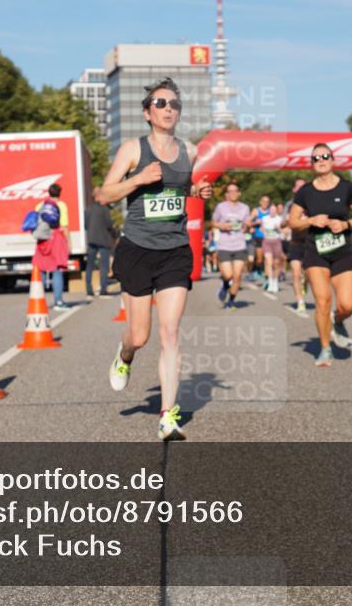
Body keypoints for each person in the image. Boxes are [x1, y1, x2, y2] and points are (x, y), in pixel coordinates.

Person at [98, 77, 212, 441]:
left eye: (174, 104)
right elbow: (104, 194)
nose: (168, 109)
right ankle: (125, 354)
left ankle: (168, 416)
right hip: (137, 250)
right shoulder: (133, 149)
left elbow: (181, 186)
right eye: (160, 104)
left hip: (175, 251)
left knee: (170, 332)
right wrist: (137, 179)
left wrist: (197, 189)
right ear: (147, 113)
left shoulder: (190, 151)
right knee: (140, 335)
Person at [287, 144, 352, 366]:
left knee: (347, 305)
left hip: (343, 252)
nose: (321, 160)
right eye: (316, 158)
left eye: (325, 156)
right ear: (311, 164)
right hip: (316, 252)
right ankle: (325, 348)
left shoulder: (346, 188)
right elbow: (292, 221)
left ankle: (338, 320)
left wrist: (345, 223)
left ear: (332, 159)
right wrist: (311, 220)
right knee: (323, 301)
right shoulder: (305, 192)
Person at [211, 182, 252, 309]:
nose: (233, 193)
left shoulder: (245, 208)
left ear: (239, 193)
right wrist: (222, 226)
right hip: (224, 245)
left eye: (235, 191)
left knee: (237, 276)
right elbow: (213, 222)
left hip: (239, 245)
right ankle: (224, 286)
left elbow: (247, 223)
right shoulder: (221, 207)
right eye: (230, 191)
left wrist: (248, 224)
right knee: (228, 275)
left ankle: (231, 301)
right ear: (227, 194)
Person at [34, 183, 71, 310]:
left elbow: (36, 223)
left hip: (42, 239)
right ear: (60, 193)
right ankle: (58, 302)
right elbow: (64, 226)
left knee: (41, 270)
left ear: (49, 192)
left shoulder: (40, 205)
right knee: (57, 269)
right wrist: (68, 243)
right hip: (56, 238)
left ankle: (38, 301)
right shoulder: (61, 205)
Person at [283, 179, 309, 313]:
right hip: (296, 243)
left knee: (309, 274)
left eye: (303, 187)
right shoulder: (289, 205)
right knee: (296, 274)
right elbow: (282, 223)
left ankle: (306, 281)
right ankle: (300, 301)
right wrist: (286, 223)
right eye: (298, 187)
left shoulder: (313, 203)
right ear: (294, 189)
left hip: (310, 243)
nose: (300, 189)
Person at [84, 189, 116, 298]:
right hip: (103, 240)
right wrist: (114, 235)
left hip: (92, 240)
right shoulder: (104, 209)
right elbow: (109, 225)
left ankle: (89, 290)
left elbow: (85, 225)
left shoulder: (88, 209)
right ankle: (103, 289)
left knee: (90, 265)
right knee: (104, 266)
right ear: (98, 197)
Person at [260, 204, 284, 293]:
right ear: (269, 211)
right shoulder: (265, 218)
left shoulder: (279, 219)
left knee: (276, 264)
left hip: (277, 242)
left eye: (274, 210)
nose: (272, 211)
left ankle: (275, 281)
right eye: (271, 210)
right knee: (269, 262)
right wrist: (262, 230)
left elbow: (284, 231)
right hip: (267, 242)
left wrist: (278, 229)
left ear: (276, 211)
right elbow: (261, 228)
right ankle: (270, 282)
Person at [249, 195, 271, 281]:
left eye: (267, 202)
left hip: (268, 238)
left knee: (267, 258)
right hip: (258, 237)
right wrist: (255, 223)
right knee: (259, 259)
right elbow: (248, 222)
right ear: (260, 202)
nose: (265, 203)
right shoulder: (256, 211)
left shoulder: (270, 211)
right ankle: (256, 269)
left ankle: (267, 276)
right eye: (264, 201)